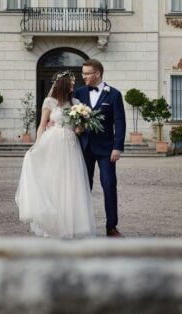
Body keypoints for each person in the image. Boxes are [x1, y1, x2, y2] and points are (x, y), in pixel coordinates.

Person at [15, 71, 95, 238]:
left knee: (71, 184)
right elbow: (42, 125)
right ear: (63, 84)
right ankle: (52, 225)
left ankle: (72, 225)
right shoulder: (49, 102)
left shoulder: (76, 103)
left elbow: (78, 129)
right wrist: (37, 145)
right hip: (53, 142)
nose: (73, 86)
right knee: (54, 182)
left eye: (74, 83)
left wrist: (81, 126)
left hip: (71, 144)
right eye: (71, 83)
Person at [73, 59, 126, 237]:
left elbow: (119, 122)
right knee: (83, 187)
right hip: (84, 148)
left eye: (87, 73)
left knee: (109, 186)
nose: (84, 77)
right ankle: (81, 226)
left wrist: (118, 147)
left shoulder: (114, 94)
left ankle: (111, 227)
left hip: (107, 150)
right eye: (83, 73)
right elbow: (71, 118)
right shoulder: (78, 93)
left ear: (98, 74)